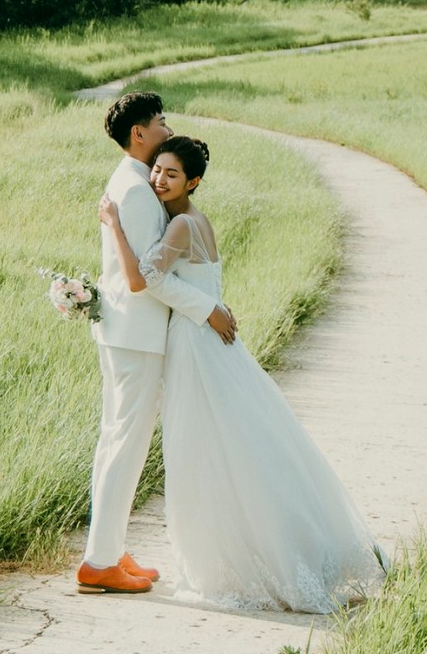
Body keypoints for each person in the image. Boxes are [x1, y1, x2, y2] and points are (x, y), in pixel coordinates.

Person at [99, 135, 385, 612]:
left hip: (194, 345)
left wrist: (113, 225)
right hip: (209, 343)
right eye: (157, 171)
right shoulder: (194, 221)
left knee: (206, 452)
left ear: (193, 182)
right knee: (241, 446)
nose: (158, 179)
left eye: (171, 174)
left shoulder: (180, 226)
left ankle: (246, 558)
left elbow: (140, 280)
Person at [77, 93, 239, 595]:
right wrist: (207, 308)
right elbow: (147, 277)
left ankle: (109, 547)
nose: (168, 129)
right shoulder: (141, 192)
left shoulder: (127, 180)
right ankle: (100, 561)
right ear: (140, 134)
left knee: (117, 439)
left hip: (125, 331)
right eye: (160, 122)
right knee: (125, 442)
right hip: (138, 333)